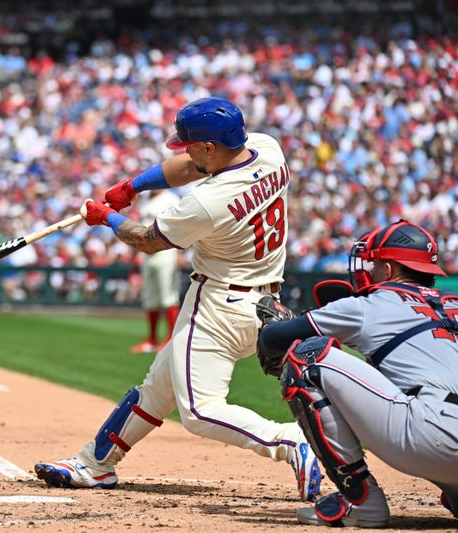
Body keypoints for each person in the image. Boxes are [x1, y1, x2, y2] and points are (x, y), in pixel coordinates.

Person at [34, 97, 322, 502]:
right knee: (157, 389)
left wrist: (107, 218)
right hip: (260, 304)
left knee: (201, 410)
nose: (184, 151)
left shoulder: (207, 201)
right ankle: (94, 466)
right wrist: (131, 187)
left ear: (209, 147)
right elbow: (191, 166)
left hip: (218, 307)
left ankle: (290, 440)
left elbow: (148, 241)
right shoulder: (267, 149)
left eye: (190, 144)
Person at [256, 220, 458, 527]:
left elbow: (273, 340)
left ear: (388, 270)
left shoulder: (371, 303)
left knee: (306, 358)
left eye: (374, 263)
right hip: (441, 429)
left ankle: (360, 502)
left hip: (433, 439)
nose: (368, 269)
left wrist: (279, 326)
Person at [130, 190, 182, 354]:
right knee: (150, 297)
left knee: (168, 296)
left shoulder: (170, 198)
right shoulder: (144, 200)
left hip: (166, 252)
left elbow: (181, 225)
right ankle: (151, 339)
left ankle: (170, 339)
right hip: (147, 254)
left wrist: (181, 252)